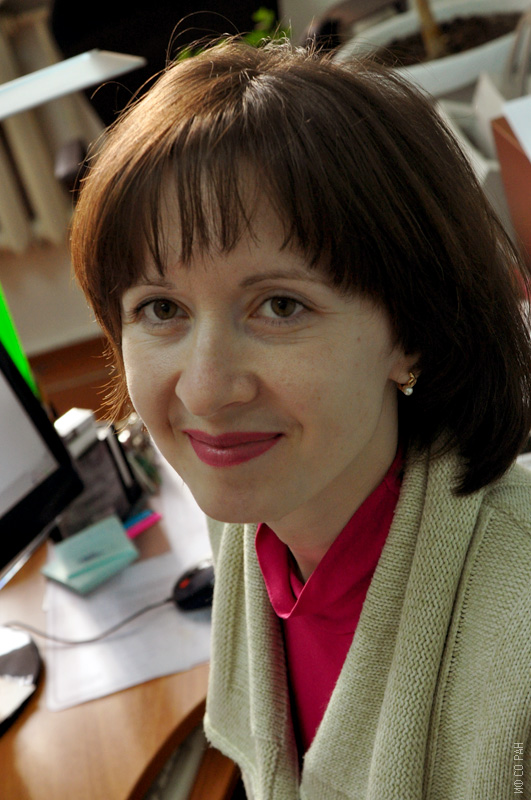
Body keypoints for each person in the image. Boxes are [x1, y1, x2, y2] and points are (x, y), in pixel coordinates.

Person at [71, 39, 531, 799]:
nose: (206, 391)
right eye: (161, 308)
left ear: (413, 331)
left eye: (280, 306)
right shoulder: (249, 525)